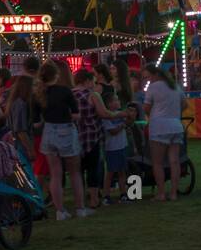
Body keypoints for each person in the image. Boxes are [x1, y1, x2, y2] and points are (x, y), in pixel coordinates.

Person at [35, 60, 90, 220]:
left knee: (55, 174)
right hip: (66, 130)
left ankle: (60, 211)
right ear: (56, 75)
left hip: (49, 132)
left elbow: (37, 120)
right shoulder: (65, 91)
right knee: (74, 172)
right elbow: (76, 114)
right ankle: (80, 208)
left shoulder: (39, 93)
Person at [73, 69, 125, 210]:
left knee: (78, 171)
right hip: (91, 136)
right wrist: (120, 114)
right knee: (92, 169)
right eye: (93, 81)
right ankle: (94, 200)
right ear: (87, 81)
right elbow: (104, 113)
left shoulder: (71, 94)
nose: (94, 84)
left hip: (75, 137)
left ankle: (80, 199)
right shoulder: (93, 95)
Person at [143, 64, 186, 201]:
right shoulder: (175, 86)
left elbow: (146, 108)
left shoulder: (153, 87)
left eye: (148, 77)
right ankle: (173, 193)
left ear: (155, 75)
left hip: (159, 127)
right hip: (176, 126)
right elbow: (184, 105)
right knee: (174, 162)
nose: (148, 80)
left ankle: (161, 193)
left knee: (158, 163)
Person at [101, 109, 130, 204]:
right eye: (115, 99)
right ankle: (106, 196)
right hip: (112, 148)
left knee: (122, 171)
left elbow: (129, 123)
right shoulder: (106, 117)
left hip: (122, 146)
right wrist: (123, 124)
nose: (118, 101)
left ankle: (123, 194)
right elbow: (113, 131)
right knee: (110, 173)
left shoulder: (120, 113)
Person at [3, 74, 34, 160]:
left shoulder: (14, 102)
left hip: (15, 143)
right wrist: (30, 150)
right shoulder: (20, 104)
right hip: (20, 145)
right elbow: (20, 131)